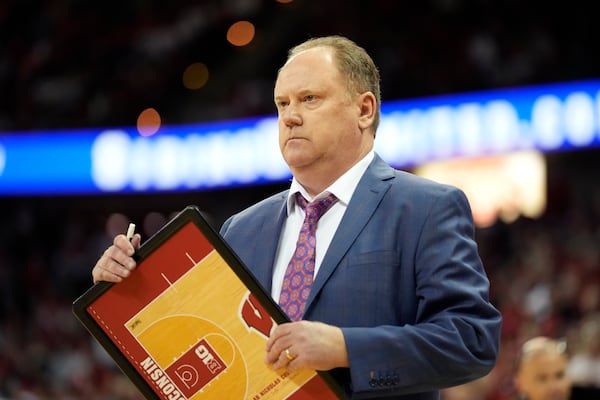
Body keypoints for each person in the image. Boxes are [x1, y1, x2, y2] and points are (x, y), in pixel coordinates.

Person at [92, 35, 502, 399]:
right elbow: (203, 355)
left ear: (364, 109)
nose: (289, 116)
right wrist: (129, 293)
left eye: (310, 99)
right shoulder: (241, 228)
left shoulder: (426, 207)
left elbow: (471, 341)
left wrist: (345, 348)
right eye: (282, 104)